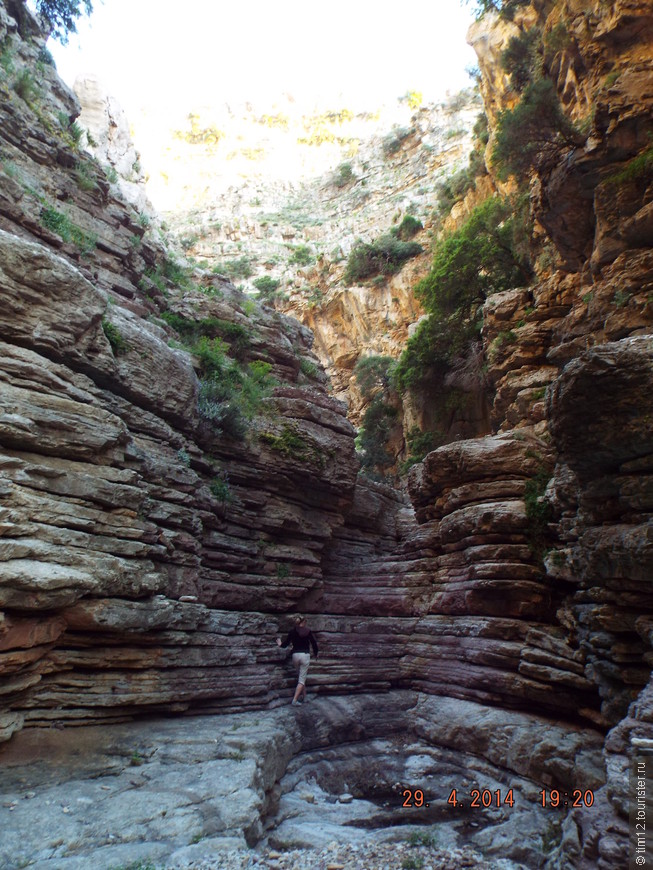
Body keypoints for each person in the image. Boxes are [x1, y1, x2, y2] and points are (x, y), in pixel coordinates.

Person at [276, 615, 318, 705]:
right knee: (302, 680)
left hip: (295, 655)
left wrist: (280, 644)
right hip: (305, 656)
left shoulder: (292, 632)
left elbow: (286, 643)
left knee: (301, 677)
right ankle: (294, 700)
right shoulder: (308, 631)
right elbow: (314, 643)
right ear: (303, 622)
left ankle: (305, 696)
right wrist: (316, 654)